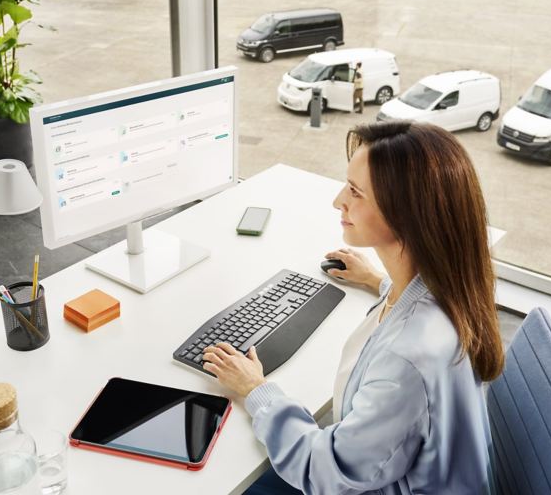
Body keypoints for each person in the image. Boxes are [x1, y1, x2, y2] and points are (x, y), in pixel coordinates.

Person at [203, 121, 504, 495]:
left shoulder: (408, 359)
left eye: (356, 192)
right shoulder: (453, 287)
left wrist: (256, 390)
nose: (338, 201)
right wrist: (379, 281)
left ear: (406, 215)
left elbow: (326, 472)